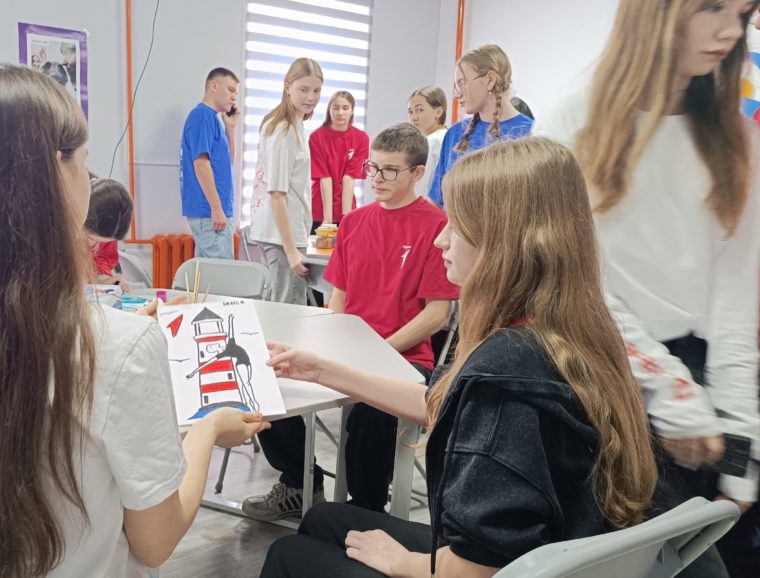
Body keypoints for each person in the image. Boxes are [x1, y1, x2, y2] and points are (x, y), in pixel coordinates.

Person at [0, 62, 268, 578]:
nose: (89, 180)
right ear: (54, 175)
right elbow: (156, 541)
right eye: (84, 161)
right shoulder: (115, 346)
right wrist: (208, 430)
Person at [260, 137, 657, 578]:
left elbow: (478, 565)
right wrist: (323, 370)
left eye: (457, 224)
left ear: (502, 240)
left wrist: (404, 562)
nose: (440, 240)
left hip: (493, 569)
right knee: (323, 519)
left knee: (288, 554)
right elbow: (441, 402)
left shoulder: (505, 376)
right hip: (559, 553)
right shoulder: (571, 330)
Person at [536, 2, 760, 575]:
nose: (731, 30)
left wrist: (739, 446)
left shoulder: (735, 136)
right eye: (713, 7)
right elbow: (576, 283)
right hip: (601, 383)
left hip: (699, 398)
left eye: (744, 12)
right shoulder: (572, 121)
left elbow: (735, 304)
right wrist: (673, 392)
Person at [243, 123, 457, 520]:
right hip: (348, 348)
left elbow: (436, 315)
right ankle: (299, 481)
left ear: (417, 173)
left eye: (389, 170)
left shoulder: (435, 227)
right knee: (270, 376)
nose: (376, 178)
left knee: (372, 411)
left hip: (404, 357)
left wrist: (376, 350)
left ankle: (364, 510)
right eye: (372, 167)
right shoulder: (354, 223)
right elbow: (338, 302)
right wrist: (326, 347)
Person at [249, 57, 323, 305]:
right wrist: (291, 250)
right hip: (282, 235)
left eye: (316, 91)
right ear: (287, 86)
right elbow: (277, 193)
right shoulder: (284, 129)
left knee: (278, 305)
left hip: (278, 231)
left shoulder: (293, 124)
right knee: (289, 309)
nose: (311, 97)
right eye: (304, 89)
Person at [427, 44, 533, 208]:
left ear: (490, 80)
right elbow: (436, 202)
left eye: (461, 83)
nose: (456, 94)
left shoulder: (532, 134)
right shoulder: (455, 134)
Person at [179, 67, 241, 259]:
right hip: (209, 213)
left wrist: (230, 128)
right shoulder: (202, 116)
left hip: (213, 212)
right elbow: (201, 164)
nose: (234, 97)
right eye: (230, 90)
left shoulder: (212, 119)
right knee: (219, 274)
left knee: (210, 273)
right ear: (214, 86)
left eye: (236, 93)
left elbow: (227, 165)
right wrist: (216, 207)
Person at [308, 90, 368, 232]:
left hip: (346, 205)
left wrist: (346, 217)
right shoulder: (316, 137)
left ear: (352, 111)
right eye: (335, 108)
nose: (340, 113)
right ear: (329, 110)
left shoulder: (361, 138)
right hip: (320, 208)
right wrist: (327, 219)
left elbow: (349, 177)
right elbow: (324, 177)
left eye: (345, 108)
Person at [86, 177, 134, 291]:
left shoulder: (108, 236)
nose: (93, 244)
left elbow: (102, 262)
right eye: (91, 238)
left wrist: (105, 280)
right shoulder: (62, 237)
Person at [406, 86, 448, 198]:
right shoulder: (447, 136)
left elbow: (421, 188)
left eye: (419, 110)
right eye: (410, 112)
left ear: (438, 112)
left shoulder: (431, 142)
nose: (413, 117)